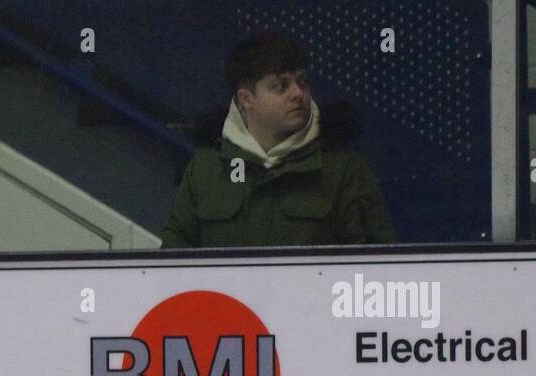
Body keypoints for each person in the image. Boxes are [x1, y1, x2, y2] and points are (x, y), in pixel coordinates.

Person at [159, 33, 396, 249]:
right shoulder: (204, 169)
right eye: (280, 86)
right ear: (246, 99)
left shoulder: (343, 170)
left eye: (302, 82)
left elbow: (376, 269)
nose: (298, 93)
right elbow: (172, 266)